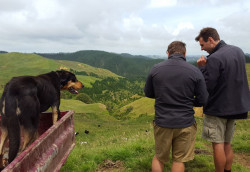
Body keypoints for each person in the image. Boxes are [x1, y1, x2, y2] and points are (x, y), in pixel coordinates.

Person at [144, 41, 208, 172]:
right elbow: (203, 99)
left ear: (168, 53)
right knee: (179, 160)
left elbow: (148, 93)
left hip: (162, 121)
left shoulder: (156, 69)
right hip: (185, 122)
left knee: (159, 157)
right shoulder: (195, 71)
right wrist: (190, 102)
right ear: (185, 53)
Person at [195, 27, 250, 172]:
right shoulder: (238, 51)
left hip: (218, 108)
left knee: (217, 144)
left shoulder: (215, 58)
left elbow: (208, 85)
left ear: (211, 40)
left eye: (202, 45)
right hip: (236, 106)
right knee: (227, 143)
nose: (202, 49)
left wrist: (202, 68)